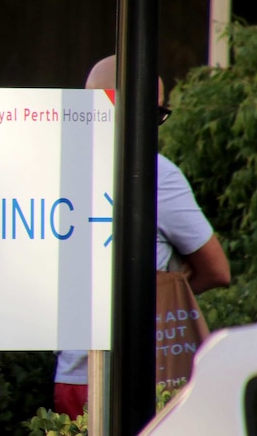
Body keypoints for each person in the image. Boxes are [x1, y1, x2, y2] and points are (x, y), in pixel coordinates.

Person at [52, 55, 231, 419]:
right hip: (129, 373)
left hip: (81, 374)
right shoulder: (156, 175)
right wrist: (144, 306)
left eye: (158, 114)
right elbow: (216, 271)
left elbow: (216, 271)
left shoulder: (52, 165)